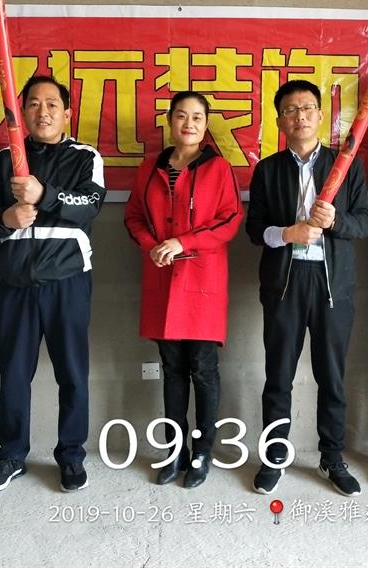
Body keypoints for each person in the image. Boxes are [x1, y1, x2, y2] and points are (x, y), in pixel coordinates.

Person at [246, 79, 368, 496]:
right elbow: (254, 230)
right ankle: (275, 456)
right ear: (279, 120)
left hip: (332, 285)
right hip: (284, 284)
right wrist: (288, 233)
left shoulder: (346, 165)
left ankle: (331, 457)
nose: (299, 116)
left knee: (332, 378)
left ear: (321, 116)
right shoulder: (268, 170)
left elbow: (366, 222)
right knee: (278, 376)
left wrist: (335, 221)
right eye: (290, 110)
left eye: (307, 109)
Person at [0, 75, 105, 494]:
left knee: (73, 373)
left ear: (67, 113)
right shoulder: (3, 161)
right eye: (33, 103)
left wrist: (42, 193)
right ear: (21, 113)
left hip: (67, 281)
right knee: (14, 374)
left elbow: (90, 205)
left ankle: (71, 455)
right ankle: (12, 455)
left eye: (52, 104)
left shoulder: (85, 157)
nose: (43, 112)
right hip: (15, 284)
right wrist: (5, 219)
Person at [124, 91, 243, 488]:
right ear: (170, 121)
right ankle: (175, 450)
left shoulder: (218, 168)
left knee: (204, 371)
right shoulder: (150, 168)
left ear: (206, 125)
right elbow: (134, 217)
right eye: (181, 116)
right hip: (162, 279)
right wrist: (151, 245)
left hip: (202, 283)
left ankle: (202, 451)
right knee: (172, 370)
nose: (188, 123)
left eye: (196, 117)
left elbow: (229, 220)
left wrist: (183, 242)